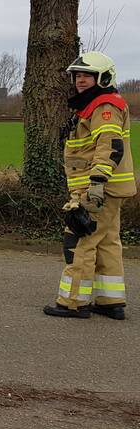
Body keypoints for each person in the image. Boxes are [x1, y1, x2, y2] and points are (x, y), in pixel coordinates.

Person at [44, 51, 134, 319]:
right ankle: (110, 302)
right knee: (107, 242)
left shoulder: (104, 106)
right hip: (108, 189)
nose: (80, 81)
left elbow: (109, 146)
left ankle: (73, 302)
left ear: (103, 78)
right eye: (78, 75)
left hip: (96, 189)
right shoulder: (95, 105)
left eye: (87, 76)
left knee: (80, 240)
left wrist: (96, 184)